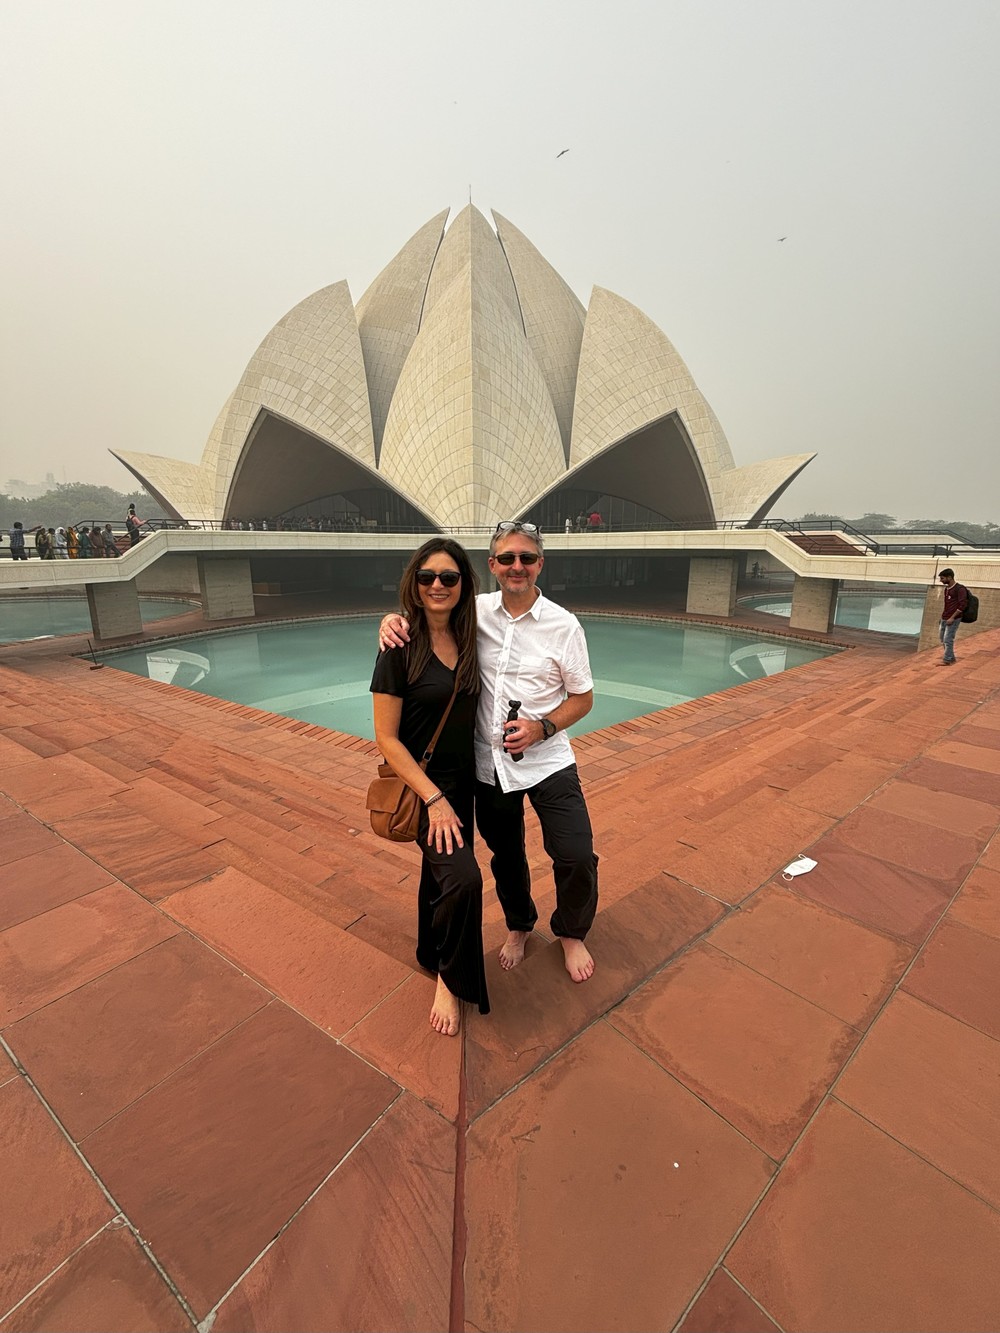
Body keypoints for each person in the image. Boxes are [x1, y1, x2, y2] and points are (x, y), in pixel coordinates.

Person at [380, 520, 599, 984]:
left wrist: (542, 727)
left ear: (540, 564)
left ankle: (571, 931)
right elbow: (428, 611)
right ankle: (519, 924)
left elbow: (583, 698)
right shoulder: (472, 612)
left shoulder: (564, 625)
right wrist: (391, 620)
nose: (517, 566)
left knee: (576, 853)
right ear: (493, 565)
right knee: (507, 855)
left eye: (526, 558)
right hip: (490, 764)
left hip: (549, 760)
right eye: (507, 558)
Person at [370, 537, 489, 1036]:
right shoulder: (398, 648)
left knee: (439, 873)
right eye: (427, 577)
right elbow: (386, 739)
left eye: (449, 577)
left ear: (463, 585)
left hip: (466, 785)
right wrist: (434, 799)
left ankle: (429, 949)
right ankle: (449, 978)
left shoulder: (472, 637)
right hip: (426, 789)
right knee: (464, 879)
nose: (437, 585)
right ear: (414, 584)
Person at [937, 568, 968, 666]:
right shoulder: (946, 589)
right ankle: (951, 658)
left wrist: (952, 617)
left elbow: (962, 605)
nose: (941, 580)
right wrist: (942, 617)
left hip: (953, 619)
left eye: (942, 578)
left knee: (948, 639)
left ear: (949, 577)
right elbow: (947, 605)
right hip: (944, 618)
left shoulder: (960, 589)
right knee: (942, 638)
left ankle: (948, 660)